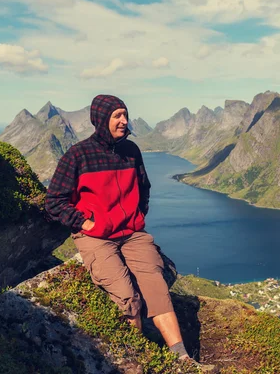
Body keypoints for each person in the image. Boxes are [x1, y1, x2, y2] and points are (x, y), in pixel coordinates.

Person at [45, 94, 191, 361]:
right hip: (96, 236)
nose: (124, 121)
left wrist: (136, 215)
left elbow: (144, 187)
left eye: (125, 115)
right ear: (101, 120)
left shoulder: (131, 151)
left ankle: (182, 358)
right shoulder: (78, 155)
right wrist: (86, 222)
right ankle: (138, 362)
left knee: (157, 288)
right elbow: (54, 201)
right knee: (127, 297)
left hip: (131, 233)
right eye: (117, 116)